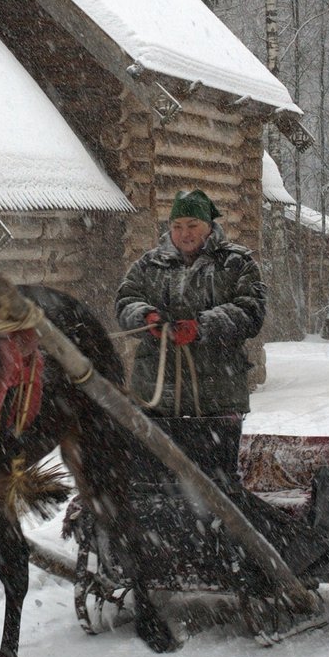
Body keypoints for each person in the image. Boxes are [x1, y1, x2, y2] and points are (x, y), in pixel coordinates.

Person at [113, 189, 264, 488]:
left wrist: (202, 326)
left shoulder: (237, 263)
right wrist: (147, 318)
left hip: (217, 396)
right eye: (177, 225)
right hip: (156, 395)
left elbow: (251, 311)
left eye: (192, 225)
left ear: (209, 225)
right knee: (154, 484)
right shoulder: (148, 265)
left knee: (217, 487)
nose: (184, 233)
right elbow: (125, 301)